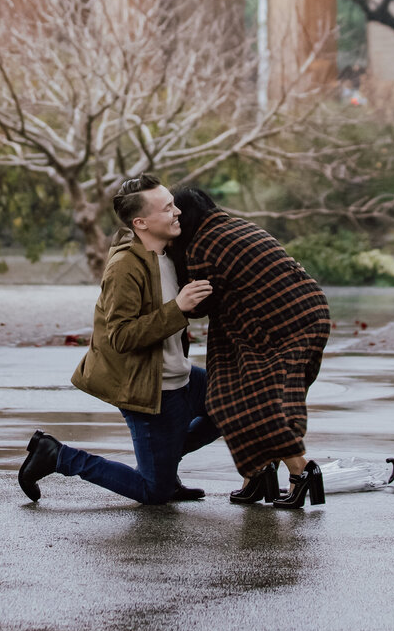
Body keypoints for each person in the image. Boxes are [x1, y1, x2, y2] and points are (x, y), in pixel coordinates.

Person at [17, 175, 218, 505]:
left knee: (233, 407)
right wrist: (178, 308)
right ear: (141, 222)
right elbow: (121, 336)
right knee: (154, 493)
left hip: (179, 376)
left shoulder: (170, 255)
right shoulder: (125, 267)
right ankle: (56, 456)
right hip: (149, 388)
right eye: (167, 208)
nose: (177, 211)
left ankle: (164, 464)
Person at [171, 187, 330, 509]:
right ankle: (257, 474)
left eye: (175, 215)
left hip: (283, 324)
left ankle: (302, 473)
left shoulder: (204, 245)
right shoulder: (232, 226)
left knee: (256, 403)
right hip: (300, 315)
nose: (173, 222)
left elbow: (199, 305)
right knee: (234, 393)